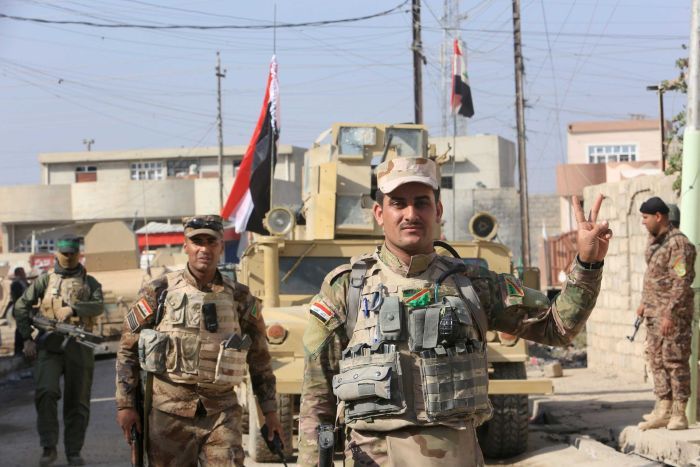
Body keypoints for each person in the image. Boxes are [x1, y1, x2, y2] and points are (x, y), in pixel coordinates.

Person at [298, 157, 612, 467]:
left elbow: (556, 327)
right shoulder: (346, 288)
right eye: (398, 203)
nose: (411, 214)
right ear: (380, 213)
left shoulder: (473, 285)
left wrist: (587, 264)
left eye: (421, 202)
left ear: (438, 210)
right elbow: (317, 394)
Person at [115, 215, 282, 466]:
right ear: (185, 246)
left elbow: (259, 359)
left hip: (221, 412)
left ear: (221, 246)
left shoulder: (240, 297)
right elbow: (128, 349)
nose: (204, 249)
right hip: (168, 414)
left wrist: (270, 413)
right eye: (196, 242)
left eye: (211, 242)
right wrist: (126, 406)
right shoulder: (158, 292)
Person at [14, 235, 104, 466]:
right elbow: (21, 306)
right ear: (56, 254)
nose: (69, 257)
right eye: (64, 253)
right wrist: (27, 339)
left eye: (73, 253)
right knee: (45, 392)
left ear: (79, 254)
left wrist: (73, 309)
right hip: (50, 346)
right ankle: (49, 447)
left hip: (79, 347)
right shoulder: (45, 281)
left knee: (78, 401)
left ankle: (73, 451)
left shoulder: (90, 282)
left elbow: (98, 305)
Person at [636, 196, 696, 431]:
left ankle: (679, 413)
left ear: (658, 216)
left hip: (673, 316)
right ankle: (664, 409)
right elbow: (653, 277)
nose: (643, 222)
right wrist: (643, 303)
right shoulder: (656, 242)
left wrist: (669, 314)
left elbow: (681, 282)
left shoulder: (678, 245)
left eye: (645, 217)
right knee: (656, 360)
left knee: (675, 361)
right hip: (653, 313)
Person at [10, 266, 29, 356]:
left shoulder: (23, 282)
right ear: (18, 273)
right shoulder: (16, 284)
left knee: (24, 329)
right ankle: (18, 350)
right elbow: (19, 297)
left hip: (25, 310)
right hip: (19, 310)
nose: (24, 274)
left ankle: (24, 349)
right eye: (23, 272)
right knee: (20, 330)